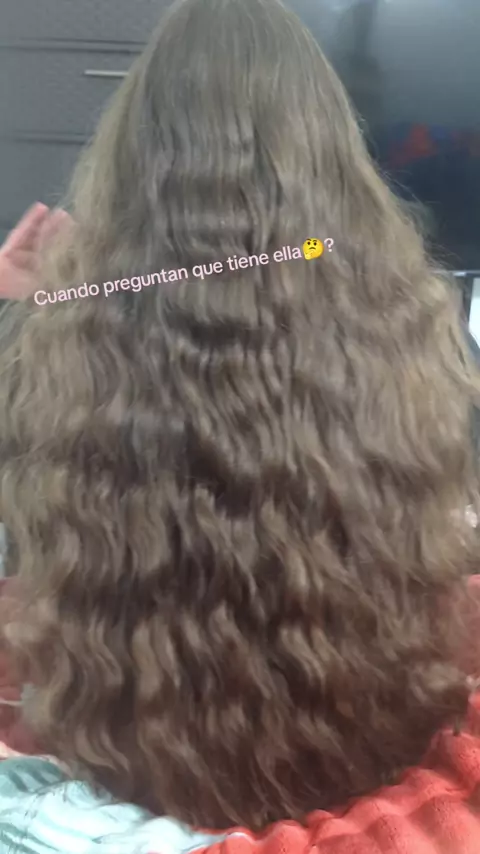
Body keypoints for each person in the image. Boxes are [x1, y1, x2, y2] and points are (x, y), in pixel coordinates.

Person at [0, 0, 480, 851]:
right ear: (331, 160)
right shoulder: (411, 337)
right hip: (361, 748)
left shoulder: (71, 347)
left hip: (135, 758)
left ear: (132, 171)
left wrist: (27, 314)